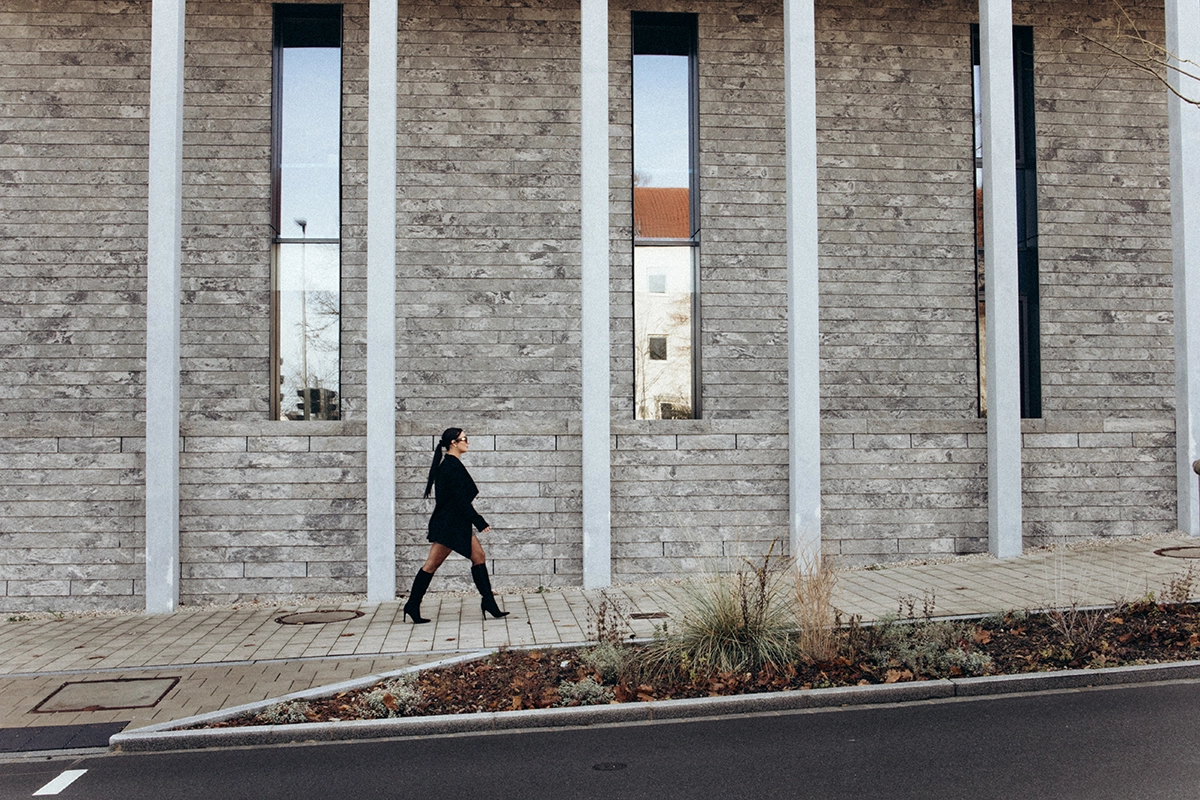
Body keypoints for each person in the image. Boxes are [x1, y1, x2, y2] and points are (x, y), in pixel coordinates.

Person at [403, 427, 510, 624]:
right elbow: (460, 500)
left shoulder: (453, 464)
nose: (467, 442)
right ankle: (412, 604)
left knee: (479, 556)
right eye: (464, 439)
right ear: (453, 442)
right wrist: (478, 521)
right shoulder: (450, 466)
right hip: (449, 525)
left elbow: (459, 500)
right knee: (431, 565)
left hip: (456, 522)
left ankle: (489, 603)